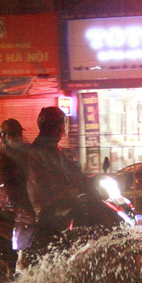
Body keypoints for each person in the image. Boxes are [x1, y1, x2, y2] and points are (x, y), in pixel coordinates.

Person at [25, 107, 85, 255]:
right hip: (47, 206)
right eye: (61, 125)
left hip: (60, 200)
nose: (63, 130)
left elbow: (68, 171)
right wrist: (68, 189)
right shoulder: (36, 152)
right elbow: (43, 183)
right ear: (52, 127)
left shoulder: (53, 150)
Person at [0, 118, 35, 272]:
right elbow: (7, 186)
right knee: (27, 218)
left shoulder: (26, 151)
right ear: (3, 136)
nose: (18, 137)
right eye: (13, 134)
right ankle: (21, 261)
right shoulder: (3, 159)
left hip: (33, 194)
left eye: (19, 133)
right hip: (15, 199)